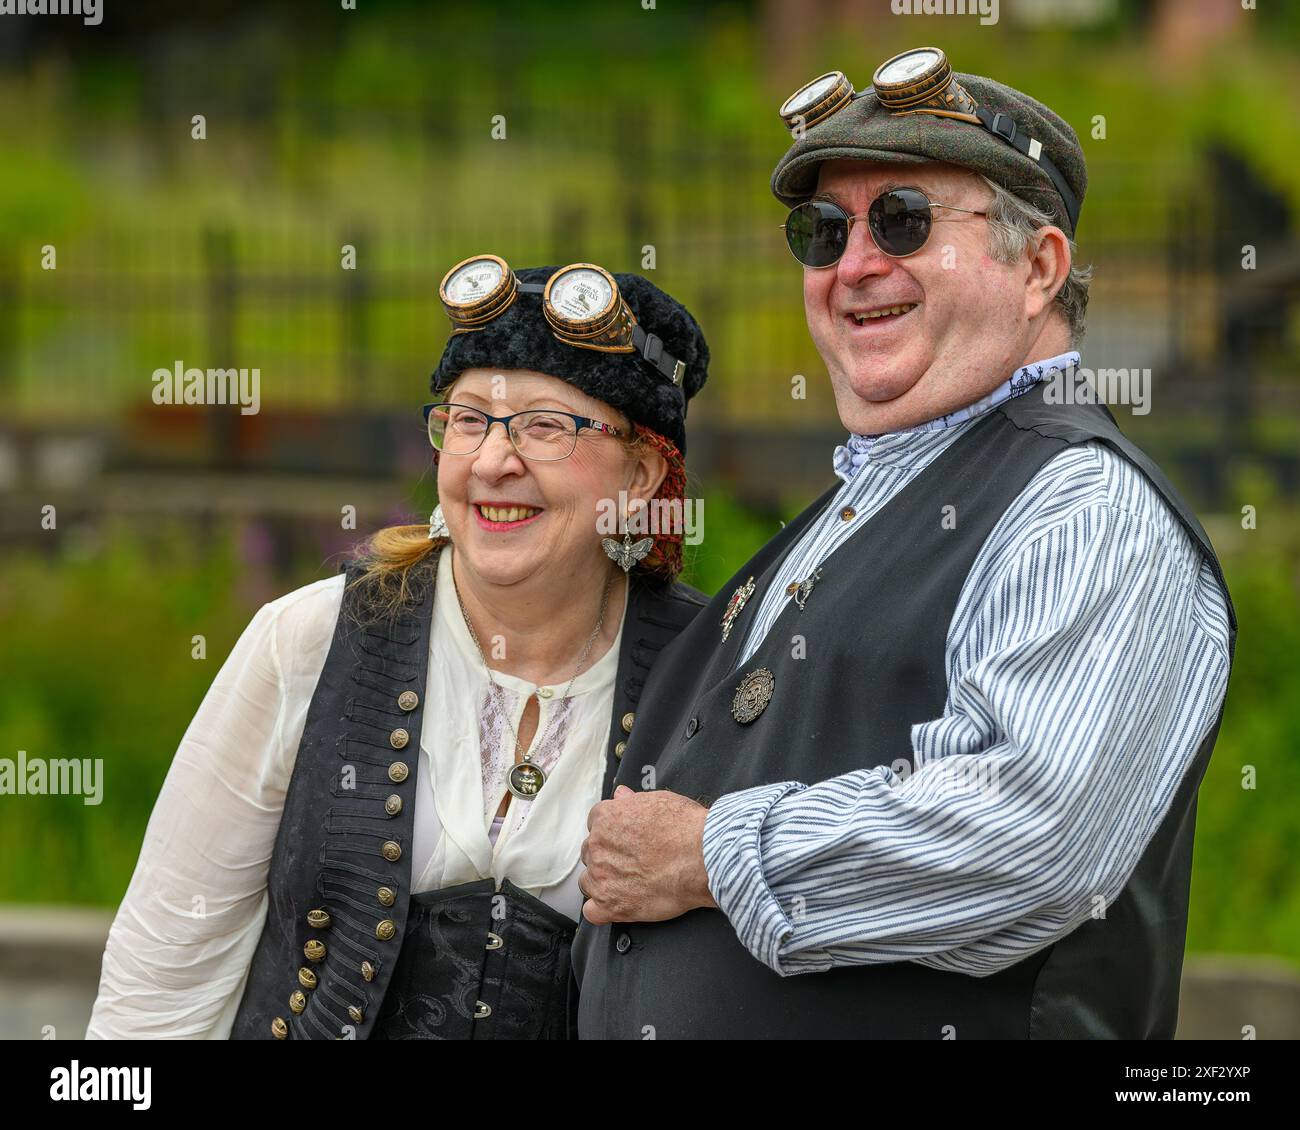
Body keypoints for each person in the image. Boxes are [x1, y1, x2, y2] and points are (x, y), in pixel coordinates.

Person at [574, 48, 1237, 1039]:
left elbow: (1029, 838)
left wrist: (709, 852)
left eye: (904, 220)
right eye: (823, 230)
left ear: (1038, 267)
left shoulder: (1083, 505)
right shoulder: (856, 508)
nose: (853, 265)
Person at [85, 257, 710, 1040]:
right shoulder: (306, 641)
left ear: (644, 473)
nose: (491, 462)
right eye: (470, 419)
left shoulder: (710, 671)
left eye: (547, 426)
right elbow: (160, 980)